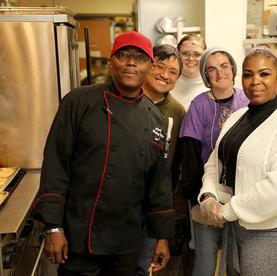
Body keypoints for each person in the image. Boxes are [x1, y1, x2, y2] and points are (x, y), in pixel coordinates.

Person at [33, 31, 175, 276]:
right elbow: (56, 165)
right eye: (124, 56)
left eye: (139, 58)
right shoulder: (78, 102)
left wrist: (162, 236)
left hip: (127, 242)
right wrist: (53, 228)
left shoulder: (155, 118)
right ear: (111, 62)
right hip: (79, 236)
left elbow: (158, 182)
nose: (131, 62)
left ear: (149, 67)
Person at [198, 45, 277, 276]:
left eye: (264, 73)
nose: (255, 81)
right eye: (248, 74)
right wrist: (208, 197)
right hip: (234, 222)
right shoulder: (237, 116)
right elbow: (214, 163)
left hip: (269, 230)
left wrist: (226, 212)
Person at [179, 48, 249, 276]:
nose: (220, 73)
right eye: (212, 69)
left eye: (224, 66)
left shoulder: (247, 100)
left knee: (236, 263)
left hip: (242, 196)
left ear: (233, 69)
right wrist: (195, 204)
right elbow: (189, 158)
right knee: (206, 263)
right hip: (207, 195)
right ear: (205, 75)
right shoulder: (198, 106)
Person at [136, 44, 185, 275]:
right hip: (120, 208)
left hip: (154, 206)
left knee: (144, 266)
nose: (165, 75)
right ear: (147, 66)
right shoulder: (126, 100)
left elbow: (174, 168)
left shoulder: (177, 111)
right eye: (159, 66)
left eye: (173, 71)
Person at [171, 34, 207, 110]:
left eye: (197, 54)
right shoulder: (167, 82)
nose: (191, 59)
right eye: (185, 54)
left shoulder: (212, 86)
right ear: (177, 55)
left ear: (205, 57)